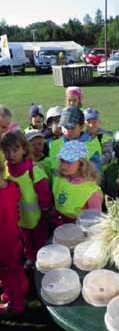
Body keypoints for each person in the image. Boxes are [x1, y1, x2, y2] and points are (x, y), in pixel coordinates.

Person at [1, 130, 52, 269]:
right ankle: (30, 257)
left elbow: (44, 192)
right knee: (26, 239)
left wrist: (46, 209)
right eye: (7, 151)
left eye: (15, 150)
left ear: (24, 149)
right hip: (19, 217)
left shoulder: (32, 170)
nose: (11, 154)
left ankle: (43, 261)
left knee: (40, 239)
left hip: (37, 216)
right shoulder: (5, 170)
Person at [51, 140, 103, 227]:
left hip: (78, 230)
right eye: (62, 160)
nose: (63, 165)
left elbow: (95, 220)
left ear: (82, 164)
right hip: (58, 224)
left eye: (69, 162)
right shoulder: (59, 179)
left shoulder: (91, 191)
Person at [0, 159, 29, 314]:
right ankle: (23, 286)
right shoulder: (12, 186)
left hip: (2, 245)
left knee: (7, 275)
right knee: (16, 265)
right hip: (15, 237)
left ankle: (16, 303)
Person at [48, 107, 101, 173]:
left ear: (81, 126)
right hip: (58, 183)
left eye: (71, 127)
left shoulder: (92, 145)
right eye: (64, 126)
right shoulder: (54, 144)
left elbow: (96, 173)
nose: (67, 130)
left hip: (83, 183)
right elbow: (52, 168)